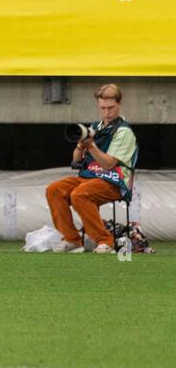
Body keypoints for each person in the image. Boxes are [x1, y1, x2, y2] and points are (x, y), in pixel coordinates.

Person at [44, 84, 137, 254]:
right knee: (54, 189)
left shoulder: (124, 132)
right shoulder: (95, 127)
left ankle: (105, 241)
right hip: (90, 177)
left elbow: (109, 164)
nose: (106, 113)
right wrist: (80, 146)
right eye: (102, 108)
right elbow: (75, 162)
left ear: (120, 104)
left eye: (111, 108)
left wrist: (92, 146)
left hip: (114, 181)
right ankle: (72, 239)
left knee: (80, 194)